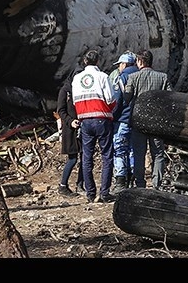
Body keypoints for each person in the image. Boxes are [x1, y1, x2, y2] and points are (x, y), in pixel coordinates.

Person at [71, 49, 116, 203]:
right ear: (98, 61)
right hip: (102, 119)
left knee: (87, 157)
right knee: (107, 156)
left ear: (85, 62)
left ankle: (90, 193)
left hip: (84, 120)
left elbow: (75, 101)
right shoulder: (103, 77)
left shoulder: (77, 79)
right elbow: (111, 99)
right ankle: (104, 193)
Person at [125, 49, 172, 189]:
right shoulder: (162, 77)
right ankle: (157, 184)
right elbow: (171, 98)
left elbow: (127, 98)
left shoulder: (133, 77)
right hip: (157, 122)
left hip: (138, 121)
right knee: (158, 154)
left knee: (139, 154)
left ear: (140, 61)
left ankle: (140, 184)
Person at [111, 52, 138, 193]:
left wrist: (112, 117)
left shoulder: (122, 77)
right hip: (138, 122)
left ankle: (120, 182)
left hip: (123, 120)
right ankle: (133, 179)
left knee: (120, 150)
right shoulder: (140, 75)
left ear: (123, 64)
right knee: (133, 150)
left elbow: (117, 101)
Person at [55, 64, 85, 196]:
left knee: (85, 157)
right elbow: (60, 110)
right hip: (70, 129)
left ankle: (80, 184)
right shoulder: (65, 90)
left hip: (82, 127)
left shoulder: (83, 89)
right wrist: (70, 121)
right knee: (72, 158)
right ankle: (63, 185)